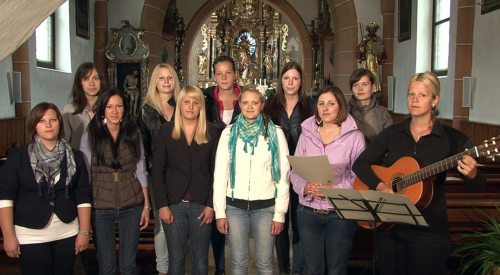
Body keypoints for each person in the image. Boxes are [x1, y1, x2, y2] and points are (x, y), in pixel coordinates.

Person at [352, 71, 486, 275]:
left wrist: (472, 174)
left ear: (435, 100)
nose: (414, 100)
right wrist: (382, 186)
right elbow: (360, 164)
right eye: (411, 94)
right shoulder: (393, 133)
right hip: (391, 228)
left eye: (422, 95)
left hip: (429, 231)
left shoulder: (453, 139)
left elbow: (478, 185)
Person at [0, 102, 92, 274]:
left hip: (67, 231)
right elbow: (5, 199)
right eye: (42, 121)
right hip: (30, 233)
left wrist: (84, 232)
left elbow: (83, 196)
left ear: (60, 123)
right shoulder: (18, 157)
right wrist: (8, 235)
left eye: (53, 120)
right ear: (34, 125)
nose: (48, 125)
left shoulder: (75, 156)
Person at [213, 86, 290, 274]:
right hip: (234, 207)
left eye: (254, 102)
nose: (249, 106)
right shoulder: (228, 133)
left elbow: (283, 176)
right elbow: (220, 174)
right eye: (245, 102)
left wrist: (280, 213)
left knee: (265, 263)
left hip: (265, 208)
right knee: (238, 263)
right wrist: (220, 212)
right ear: (239, 104)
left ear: (262, 105)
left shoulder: (276, 134)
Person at [290, 85, 365, 275]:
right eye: (321, 103)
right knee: (312, 269)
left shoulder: (355, 137)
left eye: (331, 103)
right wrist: (305, 186)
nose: (325, 108)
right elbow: (295, 171)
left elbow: (359, 177)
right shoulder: (307, 134)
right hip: (308, 212)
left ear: (340, 106)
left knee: (336, 269)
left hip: (340, 213)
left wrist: (334, 188)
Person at [80, 88, 150, 275]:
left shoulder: (133, 132)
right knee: (106, 264)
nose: (114, 111)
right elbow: (86, 173)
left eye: (119, 106)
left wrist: (146, 205)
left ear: (125, 108)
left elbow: (141, 169)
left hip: (131, 204)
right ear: (102, 109)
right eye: (109, 106)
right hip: (101, 205)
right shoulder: (91, 135)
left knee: (128, 264)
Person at [151, 85, 220, 275]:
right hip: (173, 204)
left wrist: (211, 205)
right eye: (186, 102)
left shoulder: (212, 132)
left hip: (202, 204)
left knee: (200, 260)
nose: (190, 106)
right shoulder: (166, 131)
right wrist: (162, 205)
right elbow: (157, 171)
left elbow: (217, 172)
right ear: (180, 105)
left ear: (201, 107)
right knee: (176, 259)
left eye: (195, 102)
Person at [264, 61, 314, 275]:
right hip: (277, 169)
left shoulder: (310, 104)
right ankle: (284, 269)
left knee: (300, 223)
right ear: (281, 81)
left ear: (301, 81)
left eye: (295, 78)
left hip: (303, 170)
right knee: (280, 222)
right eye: (286, 78)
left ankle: (299, 269)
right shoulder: (271, 104)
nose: (291, 82)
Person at [138, 63, 180, 275]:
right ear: (155, 82)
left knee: (179, 223)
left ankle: (178, 267)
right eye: (161, 77)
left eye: (169, 77)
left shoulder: (182, 107)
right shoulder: (146, 112)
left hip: (181, 175)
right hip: (158, 175)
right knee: (163, 225)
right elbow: (143, 149)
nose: (166, 81)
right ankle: (163, 269)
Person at [204, 55, 242, 275]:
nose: (224, 77)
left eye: (228, 72)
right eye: (219, 73)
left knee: (236, 219)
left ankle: (238, 266)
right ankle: (219, 266)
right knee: (216, 215)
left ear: (235, 74)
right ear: (214, 76)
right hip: (211, 164)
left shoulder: (246, 98)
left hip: (240, 164)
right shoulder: (205, 99)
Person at [62, 62, 104, 149]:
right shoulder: (69, 110)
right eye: (86, 79)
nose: (91, 83)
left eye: (95, 78)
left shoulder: (110, 107)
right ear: (79, 83)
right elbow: (65, 142)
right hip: (78, 160)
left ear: (101, 81)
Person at [348, 68, 392, 144]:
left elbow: (389, 142)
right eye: (355, 85)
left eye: (365, 84)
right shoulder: (344, 112)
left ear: (373, 87)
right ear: (351, 89)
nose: (360, 89)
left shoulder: (383, 113)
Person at [355, 21, 386, 94]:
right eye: (371, 29)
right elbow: (361, 50)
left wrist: (378, 48)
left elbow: (379, 52)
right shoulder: (365, 38)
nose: (372, 31)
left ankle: (375, 88)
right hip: (367, 58)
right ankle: (367, 87)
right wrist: (362, 45)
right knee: (367, 73)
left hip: (374, 59)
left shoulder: (378, 38)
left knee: (375, 73)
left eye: (374, 29)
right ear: (368, 30)